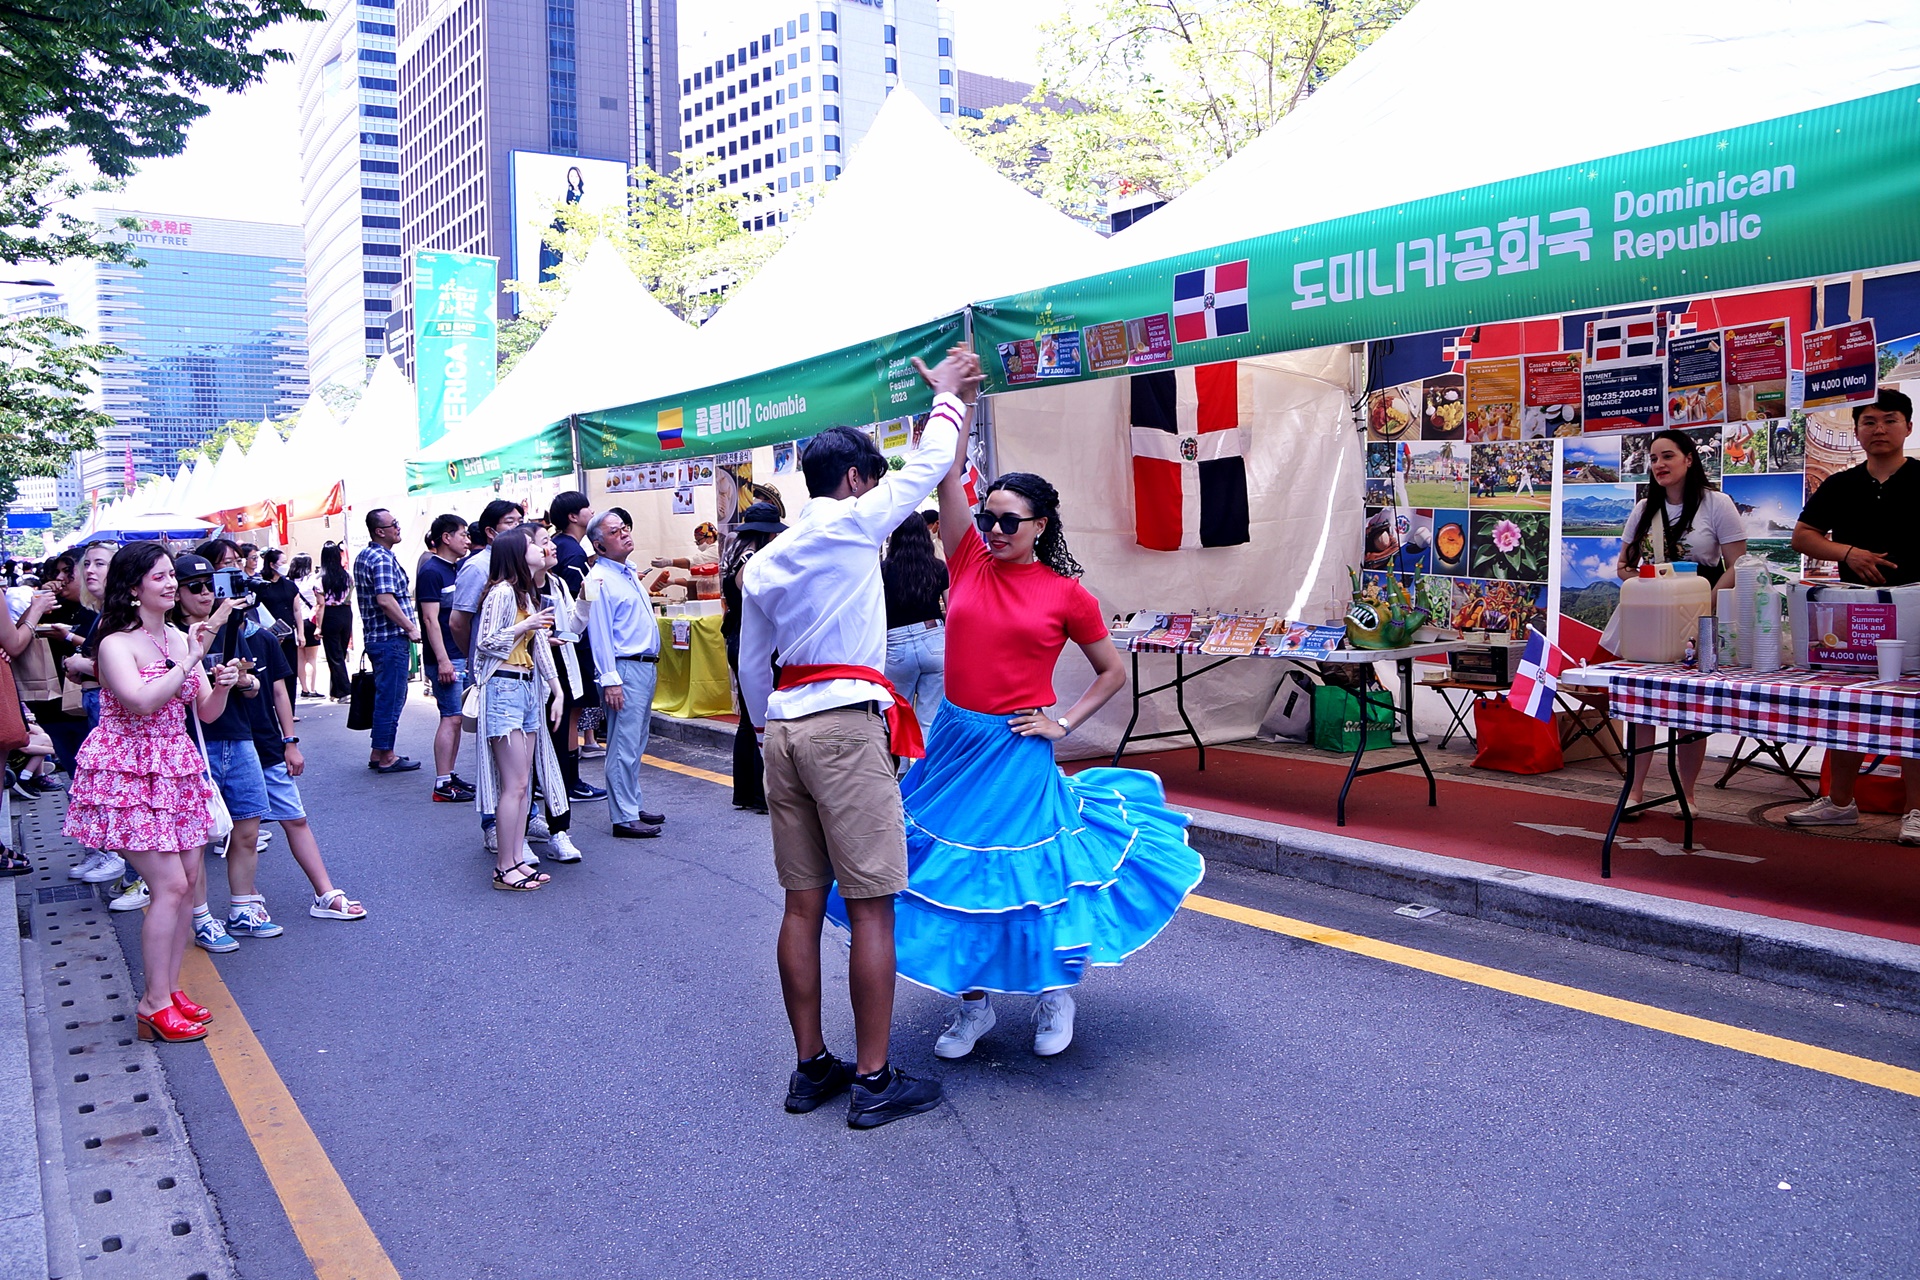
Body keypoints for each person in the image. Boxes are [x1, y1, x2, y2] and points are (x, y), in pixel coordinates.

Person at [876, 457, 1202, 1063]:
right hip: (953, 744)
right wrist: (955, 408)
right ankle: (973, 1002)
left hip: (1017, 748)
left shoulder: (1067, 595)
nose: (995, 530)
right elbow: (948, 474)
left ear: (1041, 525)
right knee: (949, 873)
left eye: (1010, 521)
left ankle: (1054, 994)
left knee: (1032, 872)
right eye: (988, 519)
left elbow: (1111, 672)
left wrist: (1065, 724)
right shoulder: (967, 560)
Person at [737, 346, 979, 1129]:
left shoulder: (765, 561)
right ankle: (873, 1080)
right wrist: (947, 396)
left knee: (800, 905)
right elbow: (930, 464)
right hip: (844, 725)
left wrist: (767, 731)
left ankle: (812, 1066)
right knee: (873, 907)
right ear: (853, 479)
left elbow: (751, 667)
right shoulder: (849, 522)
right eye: (873, 481)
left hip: (784, 728)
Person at [63, 544, 237, 1042]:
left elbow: (205, 712)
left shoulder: (180, 638)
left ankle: (169, 989)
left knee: (188, 881)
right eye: (159, 576)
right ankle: (153, 1003)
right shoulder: (116, 643)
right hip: (127, 771)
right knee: (172, 886)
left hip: (175, 766)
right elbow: (140, 702)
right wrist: (193, 659)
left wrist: (223, 683)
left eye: (170, 576)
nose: (171, 584)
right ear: (134, 587)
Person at [174, 553, 364, 939]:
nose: (208, 593)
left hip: (250, 740)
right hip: (197, 745)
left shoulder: (249, 632)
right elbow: (183, 687)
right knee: (196, 840)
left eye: (213, 584)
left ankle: (250, 905)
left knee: (253, 829)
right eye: (196, 587)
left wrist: (283, 732)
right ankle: (203, 919)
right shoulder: (174, 637)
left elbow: (269, 688)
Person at [1788, 388, 1920, 843]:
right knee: (1847, 704)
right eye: (1869, 421)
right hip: (1854, 610)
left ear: (1908, 427)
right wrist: (1848, 553)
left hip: (1916, 606)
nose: (1879, 429)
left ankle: (1917, 810)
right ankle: (1840, 802)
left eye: (1889, 420)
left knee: (1913, 708)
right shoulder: (1840, 485)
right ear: (1858, 431)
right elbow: (1803, 536)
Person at [1611, 429, 1747, 812]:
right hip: (1650, 616)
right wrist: (1650, 587)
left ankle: (1687, 794)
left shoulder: (1717, 504)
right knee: (1641, 704)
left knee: (1690, 706)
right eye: (1653, 458)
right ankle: (1635, 790)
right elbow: (1624, 566)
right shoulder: (1644, 509)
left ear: (1689, 459)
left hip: (1701, 613)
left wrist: (1704, 604)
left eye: (1667, 456)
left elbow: (1738, 565)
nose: (1659, 465)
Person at [470, 525, 569, 890]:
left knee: (522, 784)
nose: (540, 547)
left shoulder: (524, 593)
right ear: (515, 552)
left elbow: (539, 646)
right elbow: (485, 642)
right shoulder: (501, 592)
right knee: (514, 785)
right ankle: (504, 867)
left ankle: (515, 861)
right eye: (531, 544)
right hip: (504, 689)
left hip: (525, 689)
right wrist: (527, 624)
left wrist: (556, 689)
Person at [584, 509, 664, 837]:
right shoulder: (598, 579)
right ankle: (624, 815)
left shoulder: (627, 571)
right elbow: (599, 632)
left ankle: (631, 803)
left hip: (642, 665)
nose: (625, 534)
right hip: (625, 667)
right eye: (615, 532)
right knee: (623, 743)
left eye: (624, 528)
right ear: (599, 545)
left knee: (636, 739)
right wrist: (609, 678)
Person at [720, 502, 786, 813]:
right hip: (754, 641)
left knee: (748, 720)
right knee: (762, 717)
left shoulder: (734, 556)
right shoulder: (755, 561)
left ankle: (746, 792)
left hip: (737, 637)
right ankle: (761, 794)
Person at [543, 492, 605, 803]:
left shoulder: (569, 549)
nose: (592, 511)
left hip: (568, 639)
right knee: (570, 709)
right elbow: (576, 603)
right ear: (572, 516)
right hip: (570, 643)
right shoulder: (570, 552)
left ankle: (565, 779)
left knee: (570, 709)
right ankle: (568, 780)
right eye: (586, 508)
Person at [353, 508, 423, 773]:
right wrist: (410, 628)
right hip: (390, 638)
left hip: (378, 638)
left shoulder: (366, 555)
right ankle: (387, 756)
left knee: (387, 696)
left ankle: (378, 751)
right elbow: (385, 600)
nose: (398, 527)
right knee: (391, 698)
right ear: (379, 531)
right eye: (393, 524)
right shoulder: (381, 558)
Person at [416, 514, 477, 803]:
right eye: (462, 534)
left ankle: (449, 775)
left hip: (459, 655)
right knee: (450, 717)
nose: (467, 540)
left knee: (456, 718)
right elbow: (430, 620)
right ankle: (442, 782)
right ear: (446, 537)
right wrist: (442, 660)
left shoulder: (458, 568)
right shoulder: (431, 571)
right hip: (445, 657)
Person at [881, 512, 948, 738]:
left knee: (897, 718)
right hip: (934, 639)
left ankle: (900, 762)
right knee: (930, 720)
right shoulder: (938, 567)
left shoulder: (882, 570)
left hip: (895, 644)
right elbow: (953, 609)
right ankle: (928, 762)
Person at [447, 499, 525, 659]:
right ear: (490, 532)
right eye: (510, 522)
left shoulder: (521, 561)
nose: (518, 527)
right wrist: (475, 656)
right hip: (491, 662)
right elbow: (458, 623)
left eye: (521, 522)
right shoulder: (477, 566)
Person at [254, 548, 301, 709]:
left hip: (288, 634)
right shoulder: (261, 585)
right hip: (268, 634)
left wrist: (300, 632)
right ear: (272, 564)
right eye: (282, 562)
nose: (285, 565)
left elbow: (297, 610)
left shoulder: (289, 585)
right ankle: (272, 708)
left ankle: (290, 709)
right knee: (271, 672)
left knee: (290, 672)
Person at [317, 542, 355, 701]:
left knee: (334, 655)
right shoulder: (347, 576)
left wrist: (318, 627)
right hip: (346, 612)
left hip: (330, 614)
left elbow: (320, 605)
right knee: (340, 652)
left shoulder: (321, 579)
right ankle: (335, 691)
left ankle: (346, 691)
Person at [289, 553, 322, 699]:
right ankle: (312, 689)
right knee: (311, 658)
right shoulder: (312, 579)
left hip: (295, 621)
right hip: (309, 620)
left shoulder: (289, 582)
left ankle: (304, 688)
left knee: (300, 658)